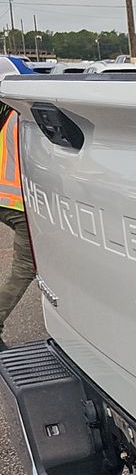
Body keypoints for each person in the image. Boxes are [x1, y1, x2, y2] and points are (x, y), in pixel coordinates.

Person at [0, 95, 35, 348]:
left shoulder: (5, 111)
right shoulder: (23, 117)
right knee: (26, 267)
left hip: (4, 197)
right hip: (16, 202)